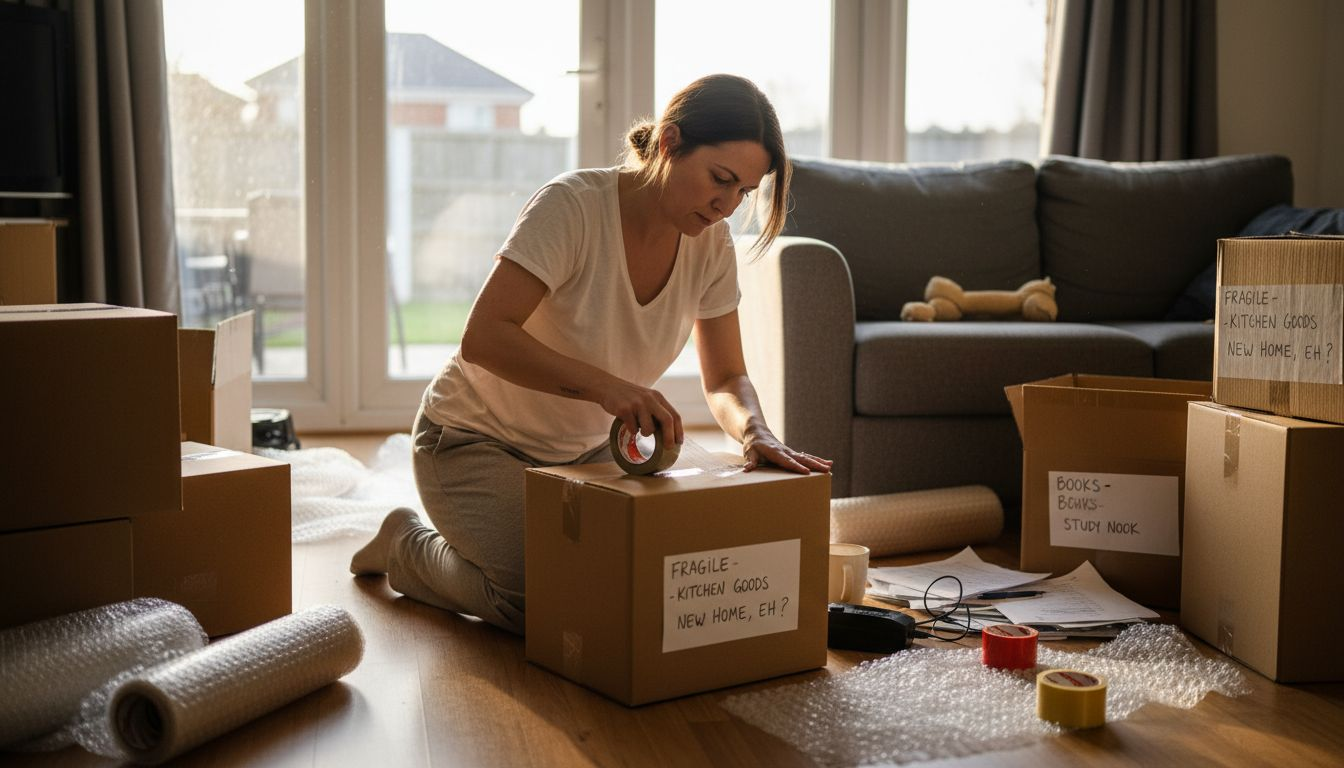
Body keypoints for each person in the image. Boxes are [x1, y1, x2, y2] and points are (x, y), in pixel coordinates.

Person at [350, 74, 832, 634]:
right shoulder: (573, 207)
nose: (726, 206)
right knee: (541, 601)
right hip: (471, 440)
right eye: (719, 180)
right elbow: (483, 337)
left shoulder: (711, 245)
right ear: (671, 143)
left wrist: (756, 432)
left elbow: (725, 376)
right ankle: (405, 548)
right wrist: (609, 387)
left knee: (648, 585)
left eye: (744, 192)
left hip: (583, 457)